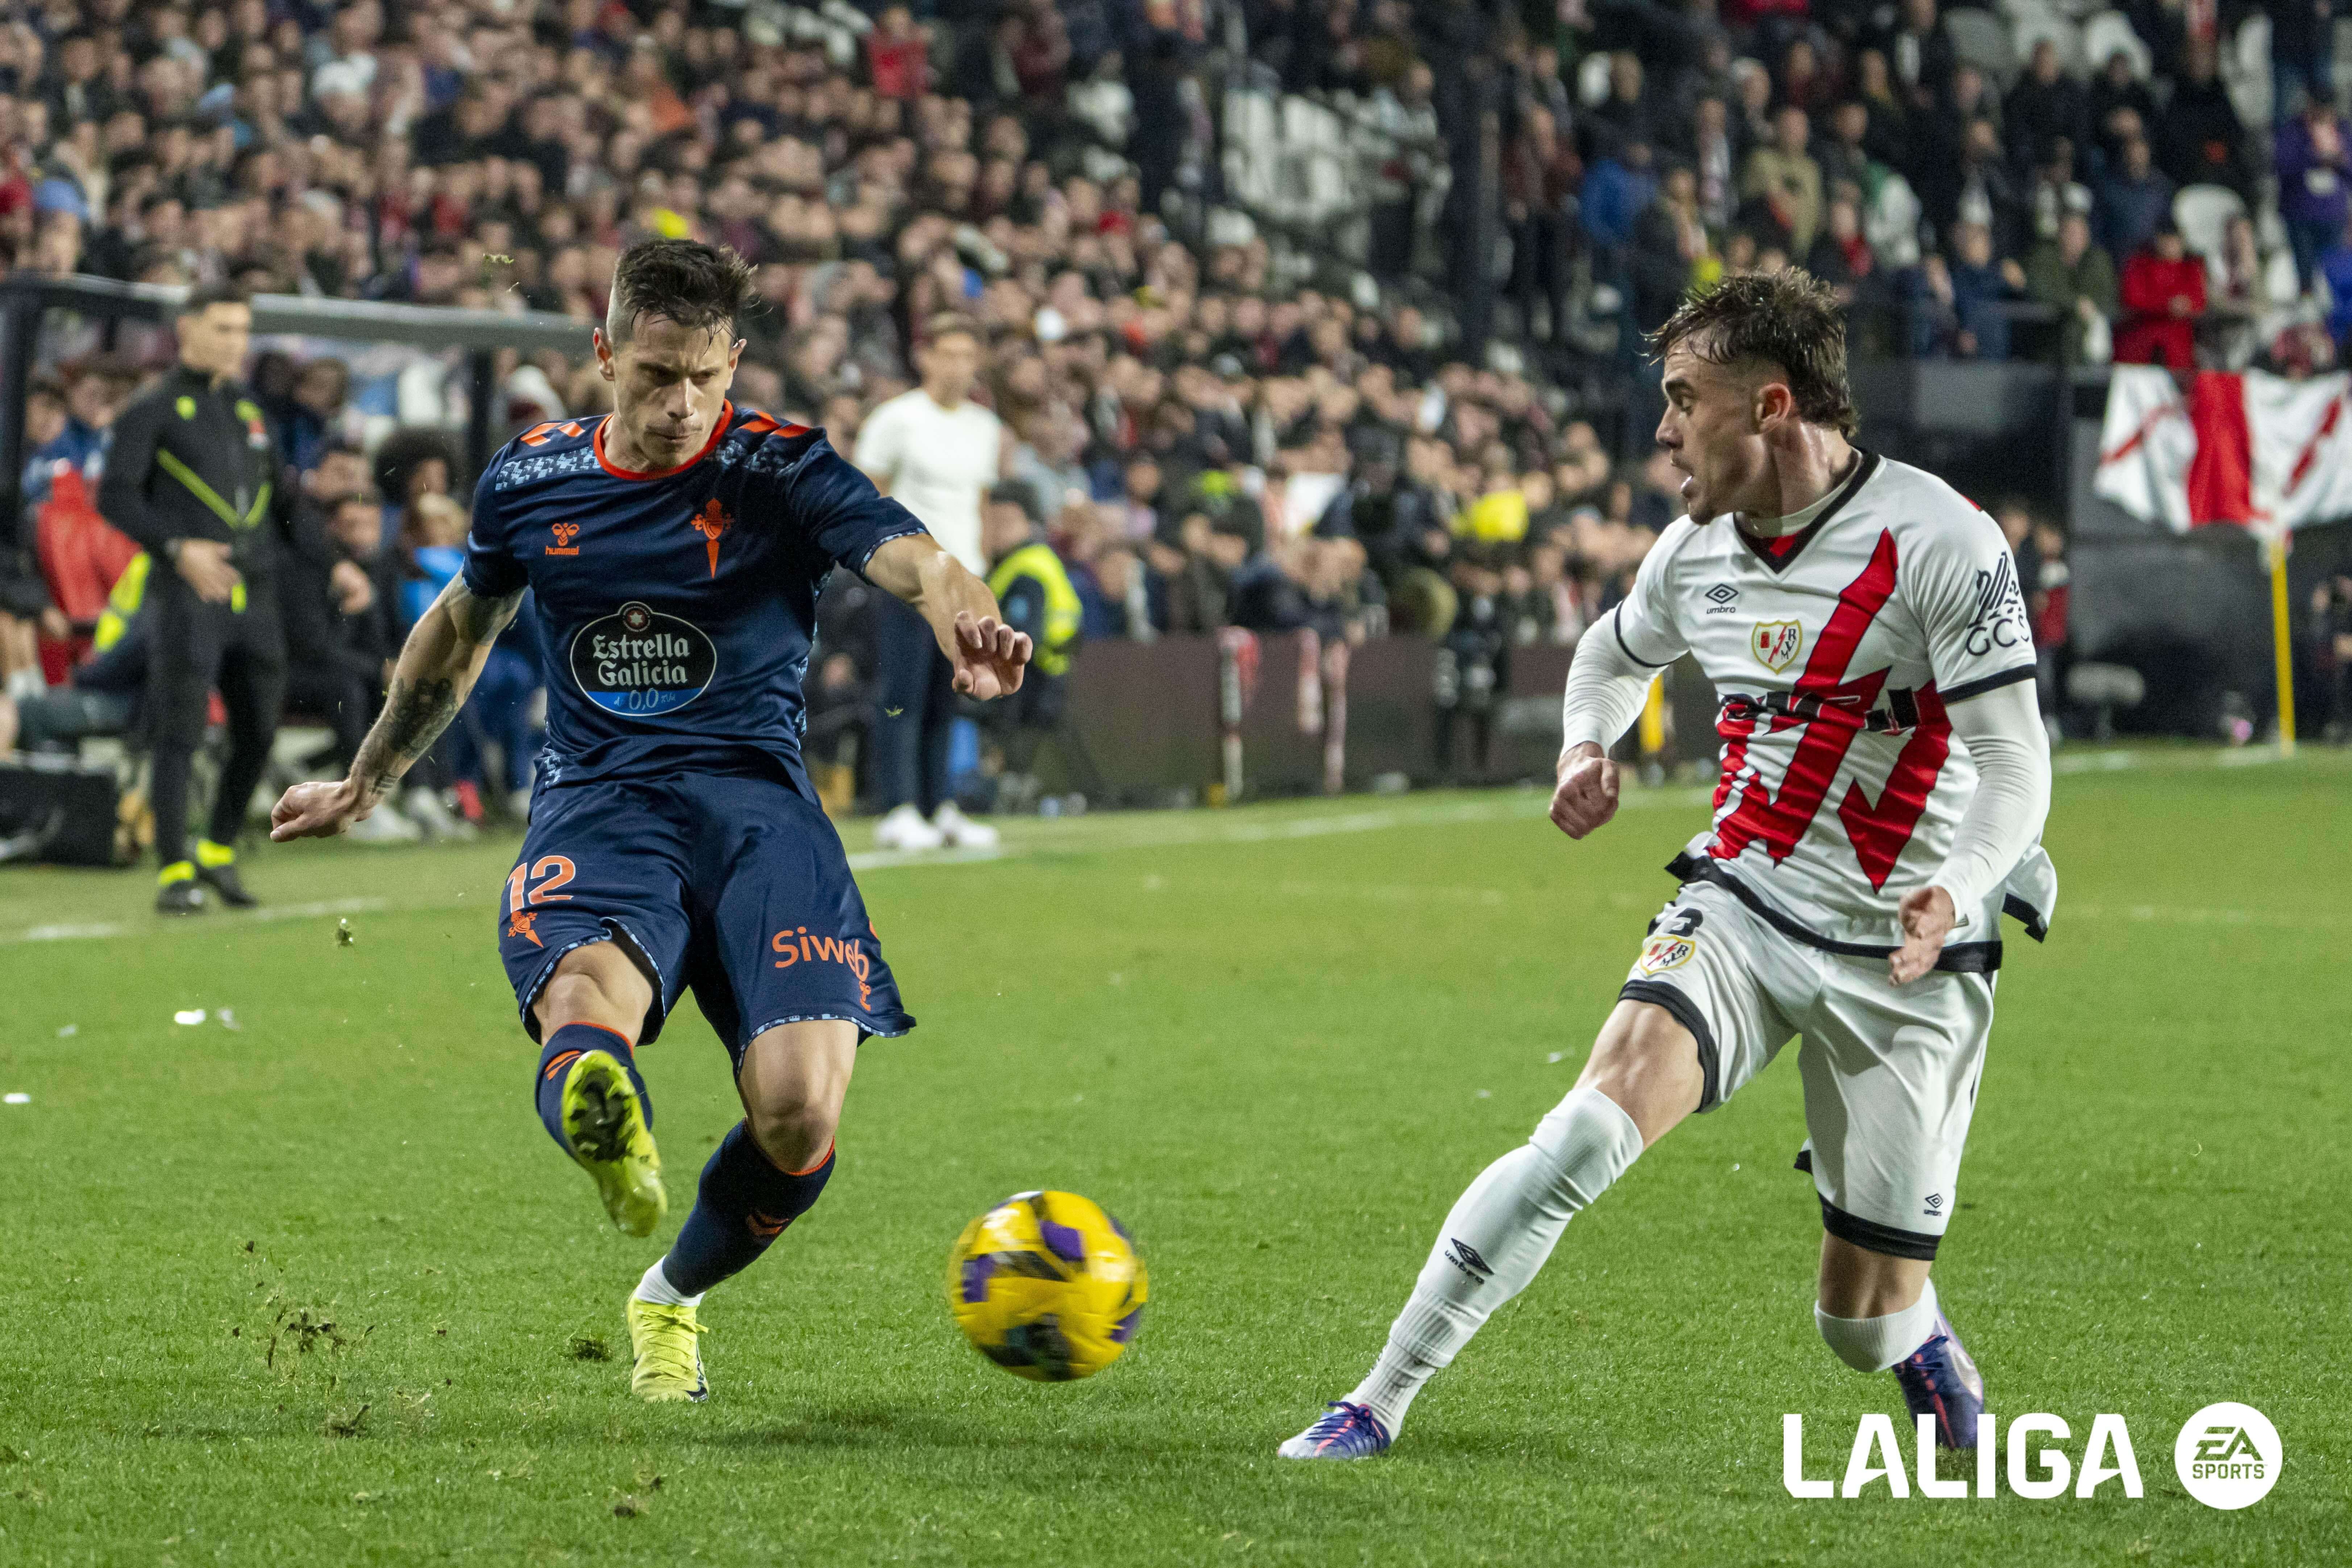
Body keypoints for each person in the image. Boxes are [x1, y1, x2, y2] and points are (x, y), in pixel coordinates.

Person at [1281, 270, 2055, 1461]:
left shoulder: (1939, 539)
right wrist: (1584, 740)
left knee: (1858, 1320)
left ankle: (1919, 1333)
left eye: (1686, 398)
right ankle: (1375, 1397)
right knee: (1585, 1129)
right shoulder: (1695, 553)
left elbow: (2014, 760)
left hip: (1910, 950)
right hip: (1744, 899)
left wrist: (1962, 879)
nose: (1662, 430)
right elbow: (1607, 651)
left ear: (1773, 406)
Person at [269, 240, 1033, 1403]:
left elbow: (920, 562)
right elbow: (458, 633)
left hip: (758, 808)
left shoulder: (782, 468)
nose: (680, 407)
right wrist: (368, 778)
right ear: (605, 355)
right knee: (586, 996)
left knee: (797, 1114)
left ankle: (668, 1297)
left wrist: (963, 614)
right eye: (653, 375)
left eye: (703, 380)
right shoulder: (530, 480)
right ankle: (602, 1114)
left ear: (735, 361)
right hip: (603, 798)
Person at [97, 283, 302, 914]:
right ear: (186, 329)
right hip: (190, 593)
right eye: (222, 328)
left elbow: (284, 502)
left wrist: (339, 565)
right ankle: (173, 871)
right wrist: (176, 549)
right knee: (179, 732)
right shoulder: (151, 408)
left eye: (243, 330)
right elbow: (116, 497)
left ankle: (216, 850)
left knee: (260, 730)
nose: (235, 343)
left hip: (255, 593)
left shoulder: (248, 410)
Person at [852, 317, 1006, 851]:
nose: (959, 366)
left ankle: (939, 806)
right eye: (950, 353)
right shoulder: (897, 420)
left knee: (951, 696)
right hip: (911, 579)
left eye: (969, 355)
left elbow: (981, 503)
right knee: (902, 694)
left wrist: (983, 567)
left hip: (966, 579)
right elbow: (869, 496)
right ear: (927, 357)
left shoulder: (984, 426)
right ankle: (897, 807)